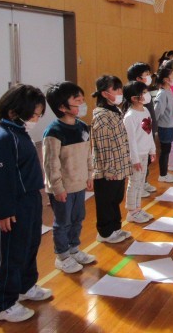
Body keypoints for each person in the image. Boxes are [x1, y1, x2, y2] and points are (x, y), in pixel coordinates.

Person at [0, 84, 50, 323]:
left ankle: (26, 285)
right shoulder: (3, 138)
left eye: (38, 115)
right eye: (33, 114)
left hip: (30, 199)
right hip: (13, 205)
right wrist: (3, 211)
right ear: (13, 112)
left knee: (30, 245)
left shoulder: (19, 132)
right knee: (11, 253)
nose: (36, 119)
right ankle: (3, 303)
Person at [43, 82, 96, 275]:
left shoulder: (82, 127)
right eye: (77, 101)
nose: (82, 104)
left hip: (79, 184)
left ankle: (74, 249)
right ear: (62, 107)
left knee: (78, 218)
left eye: (82, 100)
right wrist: (57, 188)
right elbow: (51, 164)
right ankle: (62, 256)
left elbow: (88, 154)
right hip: (63, 188)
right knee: (63, 222)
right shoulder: (54, 132)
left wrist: (89, 175)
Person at [91, 76, 133, 244]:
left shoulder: (115, 111)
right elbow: (104, 146)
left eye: (120, 88)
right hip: (108, 170)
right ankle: (105, 232)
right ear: (104, 93)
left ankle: (116, 228)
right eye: (115, 89)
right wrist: (110, 170)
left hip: (119, 166)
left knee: (116, 199)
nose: (120, 92)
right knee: (106, 201)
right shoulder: (101, 116)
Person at [121, 81, 156, 224]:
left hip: (144, 153)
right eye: (143, 93)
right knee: (134, 182)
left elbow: (149, 133)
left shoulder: (145, 111)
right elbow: (131, 141)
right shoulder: (130, 117)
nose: (146, 95)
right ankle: (132, 211)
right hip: (136, 156)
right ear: (134, 98)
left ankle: (138, 208)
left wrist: (152, 150)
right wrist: (134, 159)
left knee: (140, 182)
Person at [126, 62, 157, 196]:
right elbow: (131, 137)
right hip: (137, 145)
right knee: (136, 174)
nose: (149, 77)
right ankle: (139, 186)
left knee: (145, 165)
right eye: (146, 74)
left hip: (147, 136)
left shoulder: (145, 101)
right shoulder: (131, 111)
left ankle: (143, 182)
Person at [153, 66, 173, 183]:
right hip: (165, 127)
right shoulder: (162, 94)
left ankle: (165, 173)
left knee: (167, 150)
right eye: (172, 75)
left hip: (170, 125)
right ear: (165, 79)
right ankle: (163, 175)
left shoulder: (169, 91)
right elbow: (157, 112)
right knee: (165, 150)